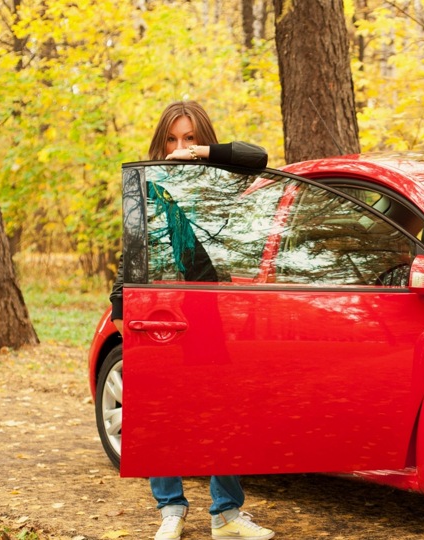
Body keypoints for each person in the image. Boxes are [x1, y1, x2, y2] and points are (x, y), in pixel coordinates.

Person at [108, 100, 273, 540]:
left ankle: (226, 514)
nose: (179, 147)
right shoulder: (147, 185)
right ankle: (171, 509)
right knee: (163, 408)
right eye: (172, 140)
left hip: (213, 306)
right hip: (161, 308)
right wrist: (121, 307)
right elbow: (132, 251)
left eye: (190, 138)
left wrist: (200, 157)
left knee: (221, 406)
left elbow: (258, 158)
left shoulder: (218, 180)